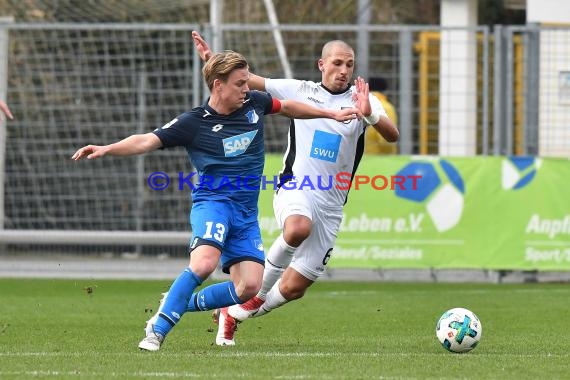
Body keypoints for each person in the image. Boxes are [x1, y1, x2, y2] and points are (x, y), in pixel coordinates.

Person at [71, 50, 360, 351]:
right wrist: (107, 148)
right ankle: (156, 330)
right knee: (205, 263)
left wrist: (332, 113)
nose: (247, 89)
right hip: (213, 204)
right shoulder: (193, 123)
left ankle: (175, 301)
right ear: (218, 85)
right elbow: (146, 140)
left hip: (245, 214)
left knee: (249, 287)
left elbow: (289, 107)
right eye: (240, 84)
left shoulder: (255, 104)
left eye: (247, 82)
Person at [192, 32, 399, 346]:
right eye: (337, 63)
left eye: (350, 64)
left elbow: (393, 135)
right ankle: (254, 294)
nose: (344, 70)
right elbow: (247, 79)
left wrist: (369, 112)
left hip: (331, 205)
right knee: (298, 227)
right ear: (322, 65)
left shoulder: (361, 100)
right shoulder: (300, 90)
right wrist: (212, 60)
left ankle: (233, 314)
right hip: (296, 188)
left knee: (293, 289)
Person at [364, 77, 398, 154]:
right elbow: (385, 142)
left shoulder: (361, 105)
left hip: (363, 159)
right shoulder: (387, 108)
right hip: (380, 160)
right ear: (385, 91)